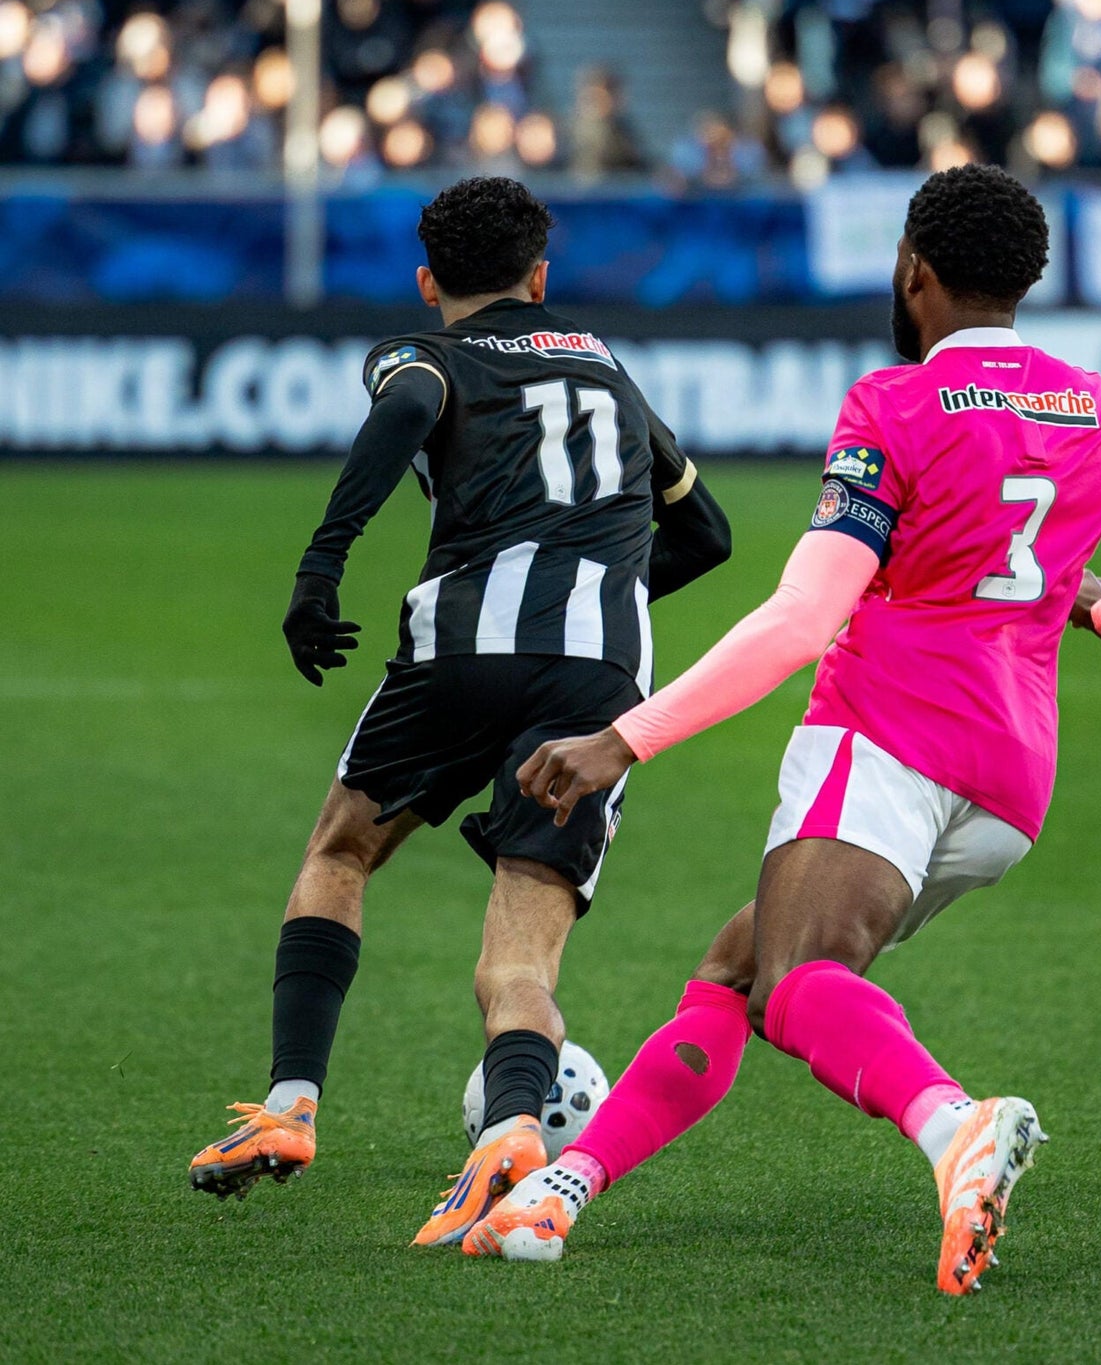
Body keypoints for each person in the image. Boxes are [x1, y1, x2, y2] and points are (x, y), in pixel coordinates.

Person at [467, 164, 1101, 1293]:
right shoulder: (1098, 410)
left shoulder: (895, 404)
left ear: (913, 269)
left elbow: (801, 619)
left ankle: (953, 1125)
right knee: (737, 967)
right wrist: (1096, 613)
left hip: (888, 735)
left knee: (798, 976)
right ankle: (559, 1193)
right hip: (1011, 784)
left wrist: (623, 737)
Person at [185, 177, 732, 1250]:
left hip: (459, 649)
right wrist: (593, 607)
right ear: (541, 275)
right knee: (522, 943)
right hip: (595, 680)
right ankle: (516, 1131)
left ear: (428, 280)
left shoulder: (423, 353)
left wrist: (321, 566)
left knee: (340, 850)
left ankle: (290, 1105)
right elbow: (705, 534)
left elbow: (405, 409)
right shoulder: (609, 370)